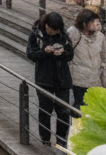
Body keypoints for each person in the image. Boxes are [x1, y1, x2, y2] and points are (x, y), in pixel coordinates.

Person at [26, 12, 75, 146]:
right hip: (44, 78)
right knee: (45, 110)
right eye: (52, 30)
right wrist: (44, 52)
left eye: (57, 30)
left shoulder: (63, 35)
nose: (54, 33)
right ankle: (45, 138)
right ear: (46, 25)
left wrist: (63, 53)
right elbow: (30, 54)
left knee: (64, 111)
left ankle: (61, 138)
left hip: (63, 79)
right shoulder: (36, 35)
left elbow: (70, 54)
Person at [66, 9, 106, 109]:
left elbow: (104, 57)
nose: (96, 24)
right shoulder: (74, 33)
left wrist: (105, 73)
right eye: (93, 22)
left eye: (97, 21)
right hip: (78, 80)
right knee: (79, 106)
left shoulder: (100, 37)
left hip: (94, 80)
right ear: (85, 24)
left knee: (91, 108)